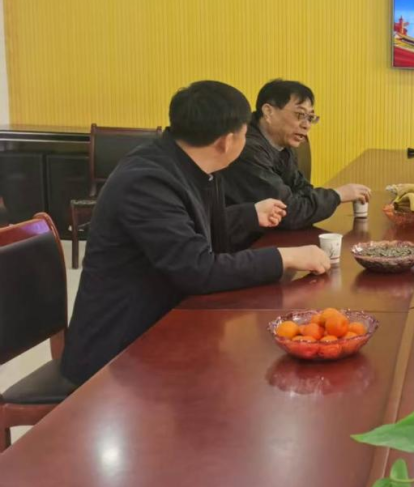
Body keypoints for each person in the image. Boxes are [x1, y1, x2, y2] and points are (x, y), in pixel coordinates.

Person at [62, 81, 332, 385]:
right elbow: (198, 269)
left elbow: (190, 226)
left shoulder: (192, 164)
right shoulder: (147, 181)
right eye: (246, 132)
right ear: (228, 141)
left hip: (167, 326)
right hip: (120, 354)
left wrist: (249, 214)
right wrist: (285, 257)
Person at [223, 79, 370, 230]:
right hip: (244, 239)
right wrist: (337, 195)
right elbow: (288, 212)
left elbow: (301, 189)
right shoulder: (247, 148)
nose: (307, 125)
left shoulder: (282, 142)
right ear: (268, 112)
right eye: (300, 115)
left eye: (310, 118)